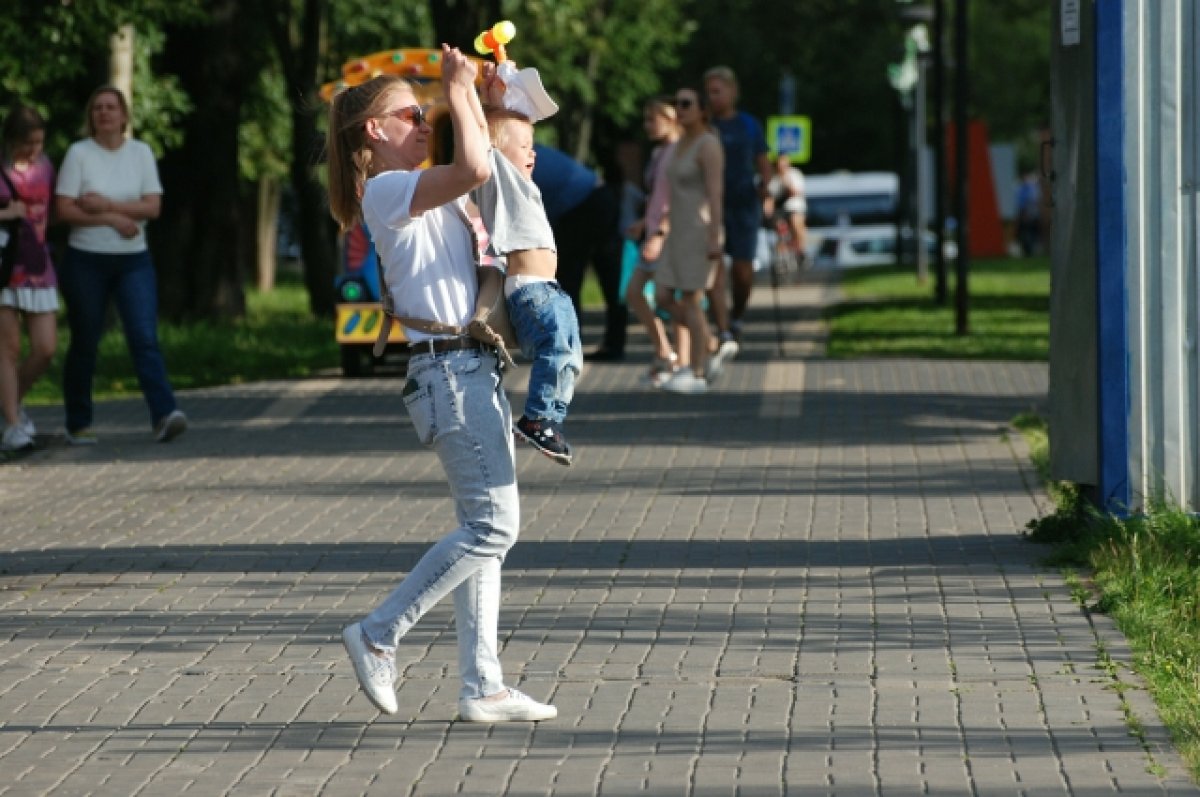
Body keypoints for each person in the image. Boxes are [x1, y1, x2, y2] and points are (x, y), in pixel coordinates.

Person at [325, 45, 556, 723]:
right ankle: (378, 632)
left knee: (481, 528)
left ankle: (482, 684)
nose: (425, 122)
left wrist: (485, 97)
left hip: (470, 366)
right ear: (374, 130)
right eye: (411, 114)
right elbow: (477, 166)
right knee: (493, 524)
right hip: (449, 371)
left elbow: (487, 163)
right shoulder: (389, 189)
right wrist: (457, 87)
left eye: (427, 112)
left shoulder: (426, 189)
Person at [54, 86, 187, 445]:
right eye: (97, 108)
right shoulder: (78, 154)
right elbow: (65, 210)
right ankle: (78, 422)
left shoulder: (140, 153)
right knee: (86, 340)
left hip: (134, 261)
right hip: (86, 260)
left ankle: (164, 415)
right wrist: (113, 220)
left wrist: (105, 206)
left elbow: (152, 207)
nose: (104, 113)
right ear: (91, 117)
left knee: (144, 338)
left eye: (111, 107)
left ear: (124, 115)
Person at [472, 66, 581, 467]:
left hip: (548, 288)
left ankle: (550, 420)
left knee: (570, 357)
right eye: (524, 146)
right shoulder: (502, 179)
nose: (532, 153)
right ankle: (537, 419)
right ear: (500, 154)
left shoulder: (525, 184)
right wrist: (492, 103)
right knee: (557, 349)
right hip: (532, 289)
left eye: (533, 145)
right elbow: (485, 141)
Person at [654, 87, 730, 396]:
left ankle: (697, 373)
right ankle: (712, 342)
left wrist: (714, 236)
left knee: (691, 300)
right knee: (661, 296)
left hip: (700, 232)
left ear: (702, 111)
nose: (680, 109)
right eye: (676, 103)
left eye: (686, 103)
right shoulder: (679, 143)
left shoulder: (708, 144)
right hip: (677, 232)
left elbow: (715, 194)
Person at [530, 143, 627, 361]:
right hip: (598, 195)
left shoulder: (507, 153)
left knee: (569, 279)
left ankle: (570, 346)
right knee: (609, 276)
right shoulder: (527, 145)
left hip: (582, 205)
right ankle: (613, 344)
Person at [0, 106, 57, 452]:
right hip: (4, 268)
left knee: (45, 348)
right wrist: (8, 212)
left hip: (38, 266)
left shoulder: (47, 168)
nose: (34, 150)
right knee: (7, 348)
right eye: (27, 143)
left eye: (38, 142)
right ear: (10, 140)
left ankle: (7, 404)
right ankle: (12, 422)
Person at [624, 96, 690, 388]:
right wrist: (644, 223)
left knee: (669, 297)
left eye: (653, 119)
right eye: (646, 119)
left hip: (670, 236)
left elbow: (677, 198)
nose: (647, 125)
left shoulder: (679, 152)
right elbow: (658, 197)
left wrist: (660, 233)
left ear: (670, 119)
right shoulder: (659, 153)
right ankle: (666, 351)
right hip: (653, 231)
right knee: (635, 292)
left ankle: (685, 359)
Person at [704, 65, 772, 344]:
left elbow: (763, 162)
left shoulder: (748, 124)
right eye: (708, 92)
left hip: (743, 203)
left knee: (743, 270)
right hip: (711, 205)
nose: (713, 97)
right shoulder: (705, 124)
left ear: (732, 92)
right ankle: (723, 328)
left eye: (718, 91)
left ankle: (737, 315)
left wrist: (765, 190)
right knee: (715, 267)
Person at [766, 152, 807, 257]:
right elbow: (770, 197)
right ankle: (782, 250)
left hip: (794, 207)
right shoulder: (773, 178)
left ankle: (800, 250)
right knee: (778, 227)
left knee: (795, 223)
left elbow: (795, 192)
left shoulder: (794, 174)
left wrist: (785, 180)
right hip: (780, 210)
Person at [1015, 171, 1041, 257]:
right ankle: (1026, 250)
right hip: (1025, 215)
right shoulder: (1023, 188)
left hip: (1030, 215)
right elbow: (1022, 205)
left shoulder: (1030, 188)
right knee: (1026, 233)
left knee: (1030, 233)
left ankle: (1029, 250)